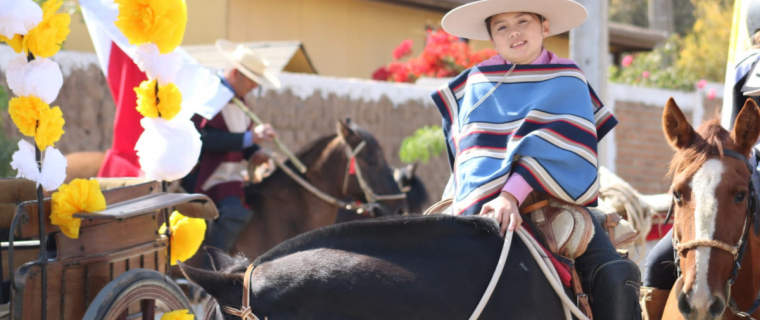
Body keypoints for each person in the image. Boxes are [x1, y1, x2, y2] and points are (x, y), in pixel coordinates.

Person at [434, 1, 641, 319]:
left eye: (523, 21)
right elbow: (473, 151)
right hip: (479, 202)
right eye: (501, 26)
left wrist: (510, 194)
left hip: (553, 198)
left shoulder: (567, 78)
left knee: (614, 272)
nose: (513, 31)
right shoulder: (477, 81)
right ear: (491, 36)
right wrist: (489, 196)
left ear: (544, 26)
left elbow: (565, 147)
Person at [641, 2, 760, 317]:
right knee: (656, 261)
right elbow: (737, 125)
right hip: (749, 167)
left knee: (655, 263)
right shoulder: (745, 64)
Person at [188, 40, 280, 270]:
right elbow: (202, 137)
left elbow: (238, 138)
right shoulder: (212, 94)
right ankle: (209, 273)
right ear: (236, 73)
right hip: (206, 174)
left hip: (231, 176)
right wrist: (250, 139)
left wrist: (255, 152)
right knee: (234, 213)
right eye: (251, 81)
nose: (253, 88)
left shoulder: (239, 101)